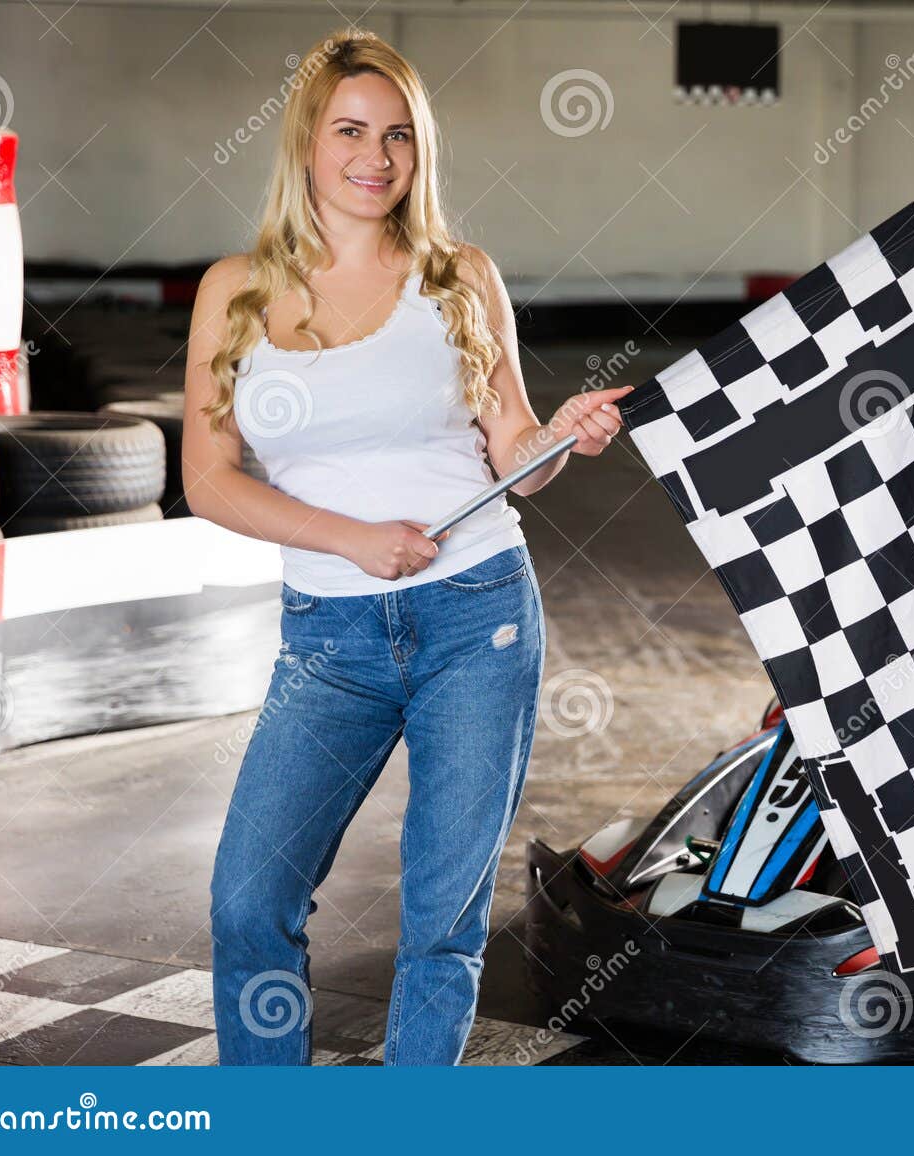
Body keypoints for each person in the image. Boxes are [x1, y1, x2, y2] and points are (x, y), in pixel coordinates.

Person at [182, 26, 629, 1065]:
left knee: (440, 924)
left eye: (399, 136)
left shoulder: (458, 277)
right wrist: (353, 538)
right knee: (250, 899)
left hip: (479, 620)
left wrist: (556, 437)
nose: (375, 157)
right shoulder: (235, 289)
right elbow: (207, 480)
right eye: (350, 131)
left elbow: (513, 446)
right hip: (328, 639)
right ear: (304, 143)